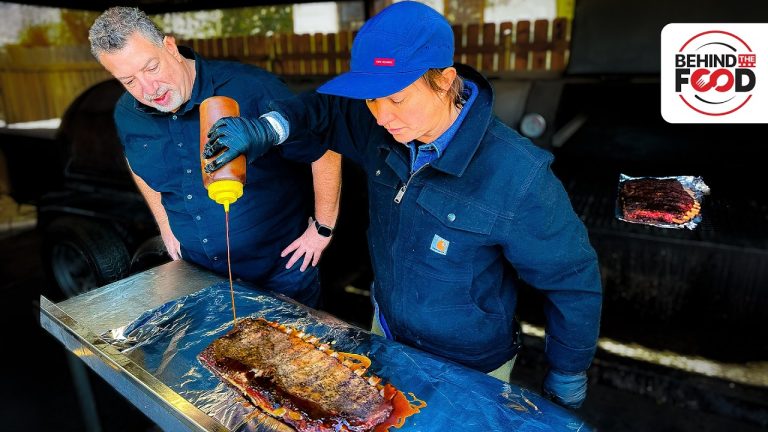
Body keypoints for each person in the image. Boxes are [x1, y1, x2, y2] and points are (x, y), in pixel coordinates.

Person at [204, 1, 601, 409]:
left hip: (470, 367)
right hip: (388, 335)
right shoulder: (379, 126)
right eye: (372, 100)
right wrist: (266, 129)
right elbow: (322, 109)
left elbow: (571, 279)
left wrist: (568, 371)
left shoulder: (518, 175)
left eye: (395, 98)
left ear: (445, 81)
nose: (380, 116)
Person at [88, 7, 341, 308]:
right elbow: (137, 163)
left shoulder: (251, 88)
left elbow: (323, 147)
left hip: (280, 274)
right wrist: (166, 226)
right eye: (128, 81)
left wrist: (323, 227)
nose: (148, 90)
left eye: (151, 68)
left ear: (169, 47)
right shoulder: (127, 115)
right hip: (198, 274)